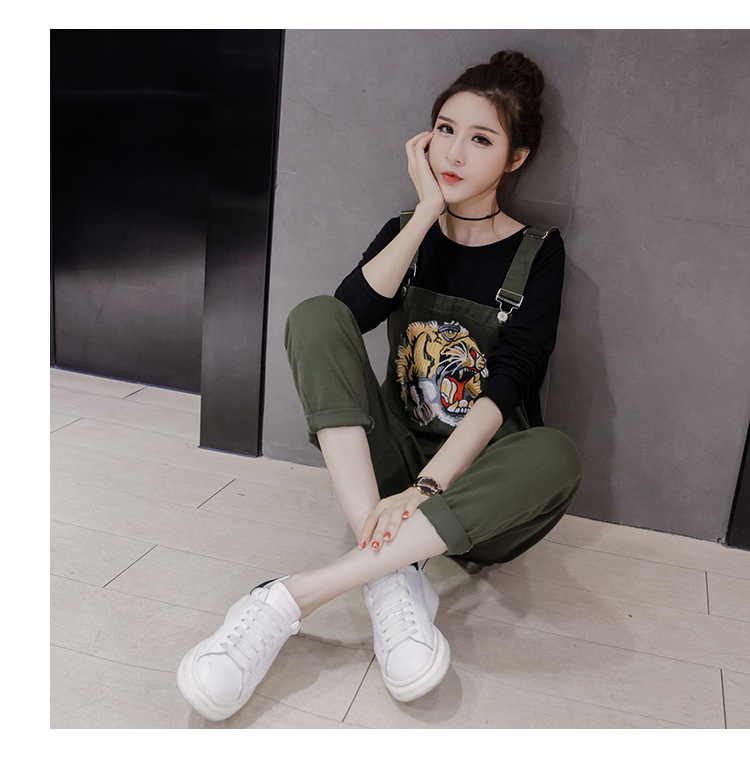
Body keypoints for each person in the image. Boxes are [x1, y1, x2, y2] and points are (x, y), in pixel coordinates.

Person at [177, 50, 582, 722]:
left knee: (556, 455)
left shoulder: (540, 251)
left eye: (481, 139)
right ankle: (393, 573)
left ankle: (290, 597)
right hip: (388, 467)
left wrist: (427, 490)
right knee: (314, 314)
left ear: (516, 158)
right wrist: (426, 213)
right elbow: (343, 316)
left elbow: (512, 379)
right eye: (444, 129)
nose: (454, 152)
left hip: (475, 494)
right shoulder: (405, 231)